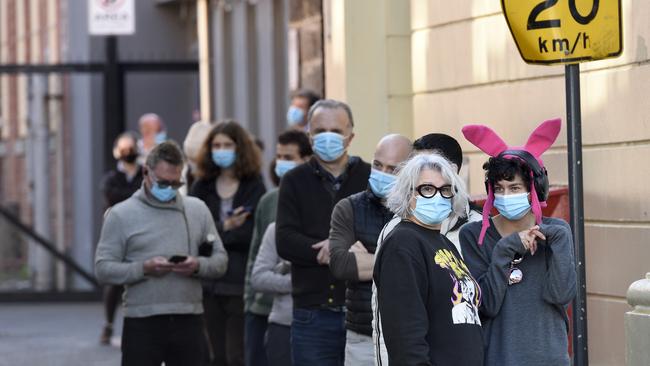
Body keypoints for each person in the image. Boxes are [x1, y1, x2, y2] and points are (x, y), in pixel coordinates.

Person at [95, 141, 229, 366]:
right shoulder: (121, 215)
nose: (169, 188)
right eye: (163, 182)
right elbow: (103, 269)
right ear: (146, 172)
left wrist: (197, 265)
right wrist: (143, 268)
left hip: (189, 318)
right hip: (142, 320)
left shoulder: (197, 209)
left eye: (175, 183)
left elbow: (220, 261)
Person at [460, 119, 577, 366]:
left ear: (535, 189)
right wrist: (505, 249)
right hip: (499, 359)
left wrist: (559, 242)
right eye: (499, 189)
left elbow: (561, 295)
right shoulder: (473, 235)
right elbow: (486, 305)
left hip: (550, 359)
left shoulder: (557, 233)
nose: (505, 196)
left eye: (514, 188)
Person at [371, 133, 482, 365]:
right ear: (408, 193)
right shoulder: (403, 244)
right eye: (427, 189)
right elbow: (406, 339)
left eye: (446, 190)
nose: (438, 197)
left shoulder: (443, 242)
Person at [276, 99, 370, 366]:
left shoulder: (371, 178)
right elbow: (285, 240)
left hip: (365, 315)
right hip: (312, 314)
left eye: (336, 131)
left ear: (350, 137)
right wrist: (333, 250)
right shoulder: (294, 181)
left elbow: (384, 234)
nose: (328, 137)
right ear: (309, 136)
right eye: (320, 131)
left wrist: (337, 249)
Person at [328, 134, 412, 365]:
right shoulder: (349, 208)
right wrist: (403, 264)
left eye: (393, 169)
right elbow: (341, 265)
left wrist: (367, 260)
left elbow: (427, 269)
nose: (383, 173)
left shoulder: (419, 213)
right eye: (378, 165)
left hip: (408, 338)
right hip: (362, 336)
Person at [190, 120, 266, 366]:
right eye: (216, 145)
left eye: (227, 145)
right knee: (214, 357)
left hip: (239, 282)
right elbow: (195, 235)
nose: (221, 150)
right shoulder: (201, 186)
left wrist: (215, 233)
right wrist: (226, 226)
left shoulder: (254, 185)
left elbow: (250, 236)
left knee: (237, 356)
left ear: (239, 148)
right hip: (207, 283)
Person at [243, 130, 312, 366]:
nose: (281, 163)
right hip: (271, 311)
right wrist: (250, 302)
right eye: (279, 156)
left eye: (288, 157)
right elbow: (256, 264)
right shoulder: (269, 203)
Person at [99, 132, 144, 345]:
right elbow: (112, 196)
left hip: (141, 232)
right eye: (124, 149)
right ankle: (108, 325)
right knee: (114, 281)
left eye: (131, 148)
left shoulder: (144, 174)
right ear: (117, 152)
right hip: (117, 234)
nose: (128, 153)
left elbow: (141, 195)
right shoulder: (111, 178)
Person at [250, 223, 292, 366]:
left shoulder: (339, 226)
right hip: (284, 324)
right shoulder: (276, 229)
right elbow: (258, 278)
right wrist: (296, 282)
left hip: (331, 325)